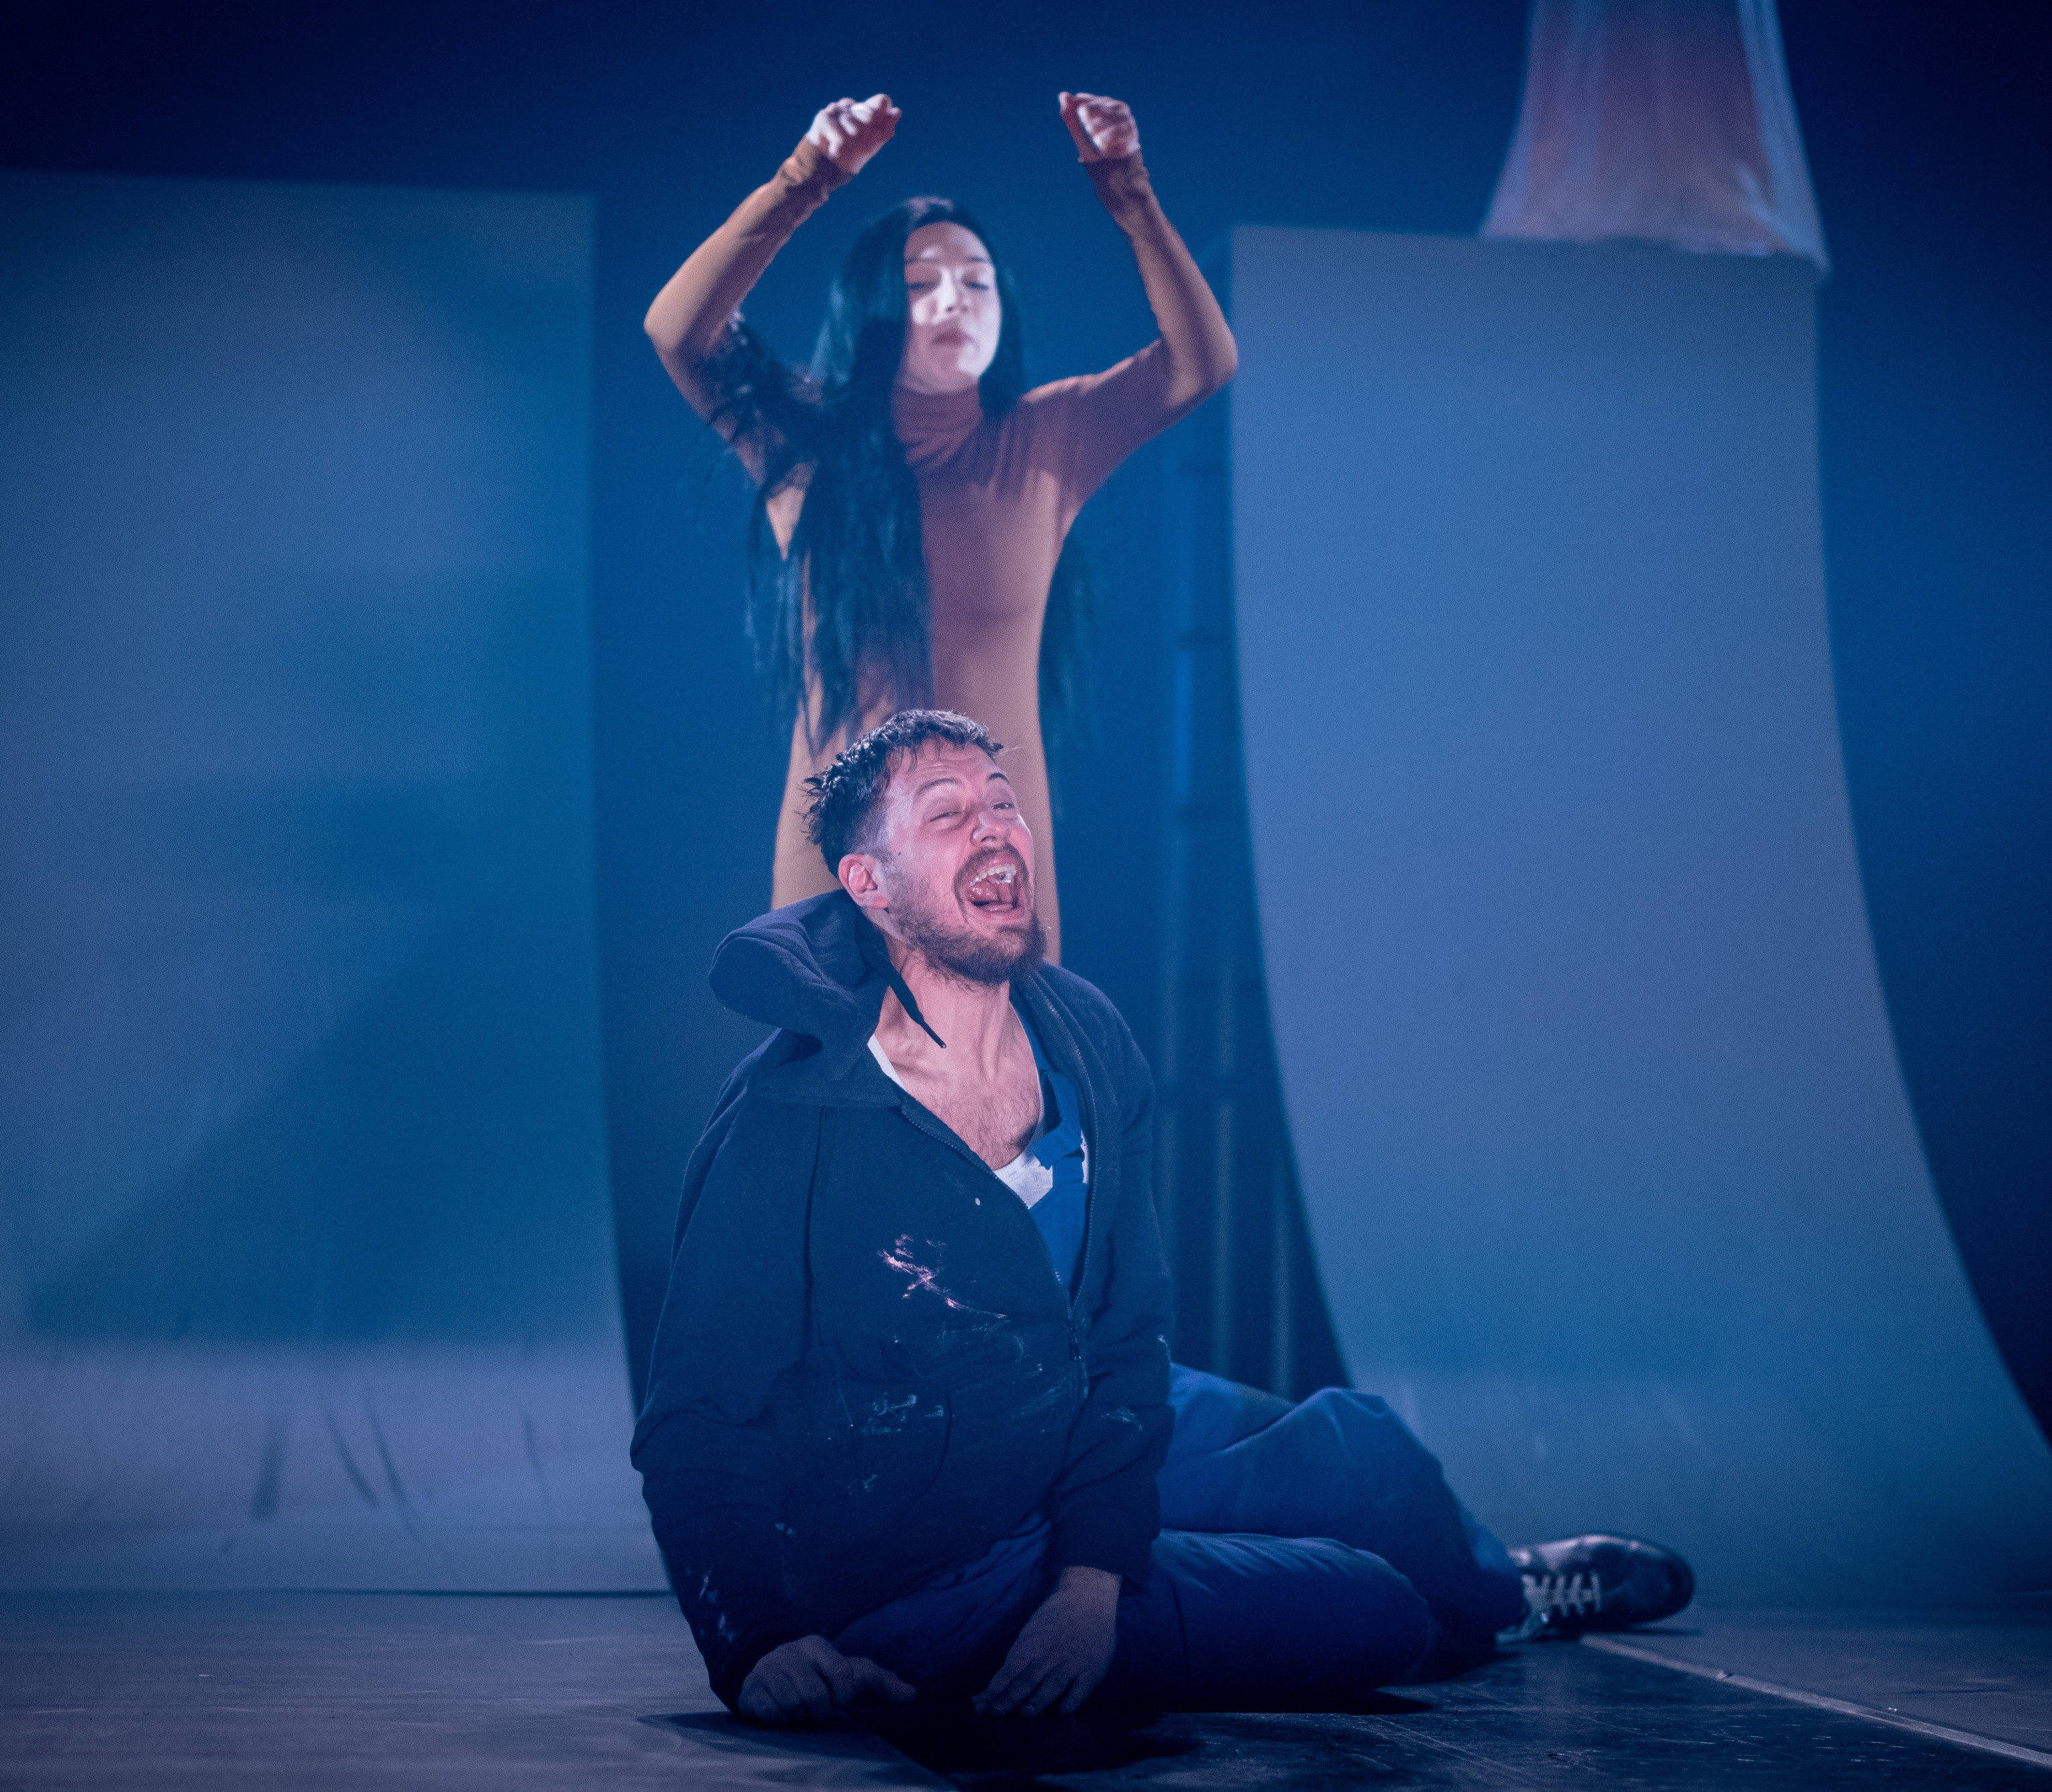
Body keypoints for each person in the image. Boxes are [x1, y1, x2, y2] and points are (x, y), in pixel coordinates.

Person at [632, 709, 1691, 1721]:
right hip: (933, 1560)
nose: (996, 828)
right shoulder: (792, 1116)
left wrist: (1093, 1576)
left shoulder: (1083, 1037)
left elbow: (1127, 1331)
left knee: (1365, 1456)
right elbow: (696, 1413)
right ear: (869, 883)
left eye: (1002, 802)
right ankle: (1409, 1602)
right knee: (1375, 1611)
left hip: (1072, 1422)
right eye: (948, 813)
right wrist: (756, 1641)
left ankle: (1503, 1592)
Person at [646, 89, 1239, 958]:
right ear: (876, 313)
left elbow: (1203, 361)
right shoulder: (806, 445)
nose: (954, 300)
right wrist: (807, 176)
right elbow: (677, 330)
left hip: (994, 869)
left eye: (977, 282)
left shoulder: (1047, 438)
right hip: (844, 866)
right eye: (921, 284)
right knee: (838, 1048)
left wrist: (1127, 185)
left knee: (998, 1051)